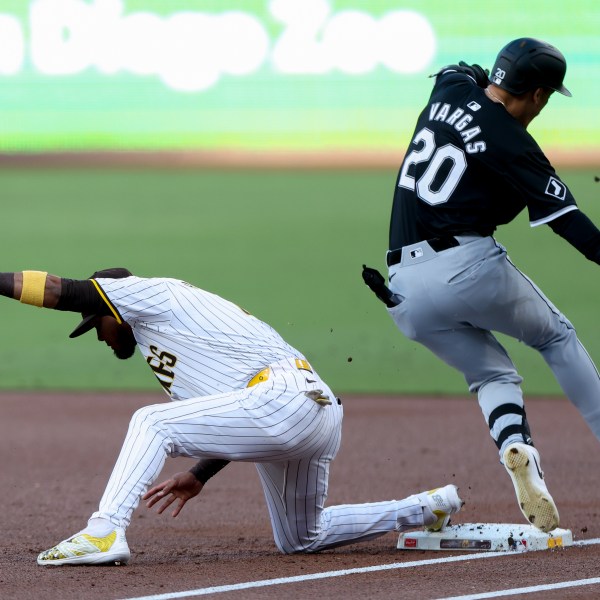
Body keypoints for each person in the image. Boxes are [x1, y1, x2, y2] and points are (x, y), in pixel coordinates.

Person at [0, 268, 463, 566]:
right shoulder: (163, 341)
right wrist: (201, 472)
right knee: (302, 538)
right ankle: (428, 507)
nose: (97, 334)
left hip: (285, 397)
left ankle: (104, 531)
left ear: (113, 307)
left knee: (151, 422)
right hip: (307, 411)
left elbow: (63, 290)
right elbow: (233, 412)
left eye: (94, 321)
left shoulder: (147, 293)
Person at [363, 37, 600, 534]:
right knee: (555, 337)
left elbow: (456, 70)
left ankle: (518, 448)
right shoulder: (514, 143)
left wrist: (476, 78)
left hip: (401, 288)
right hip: (467, 266)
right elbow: (570, 223)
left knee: (492, 375)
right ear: (537, 94)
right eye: (548, 96)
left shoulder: (450, 88)